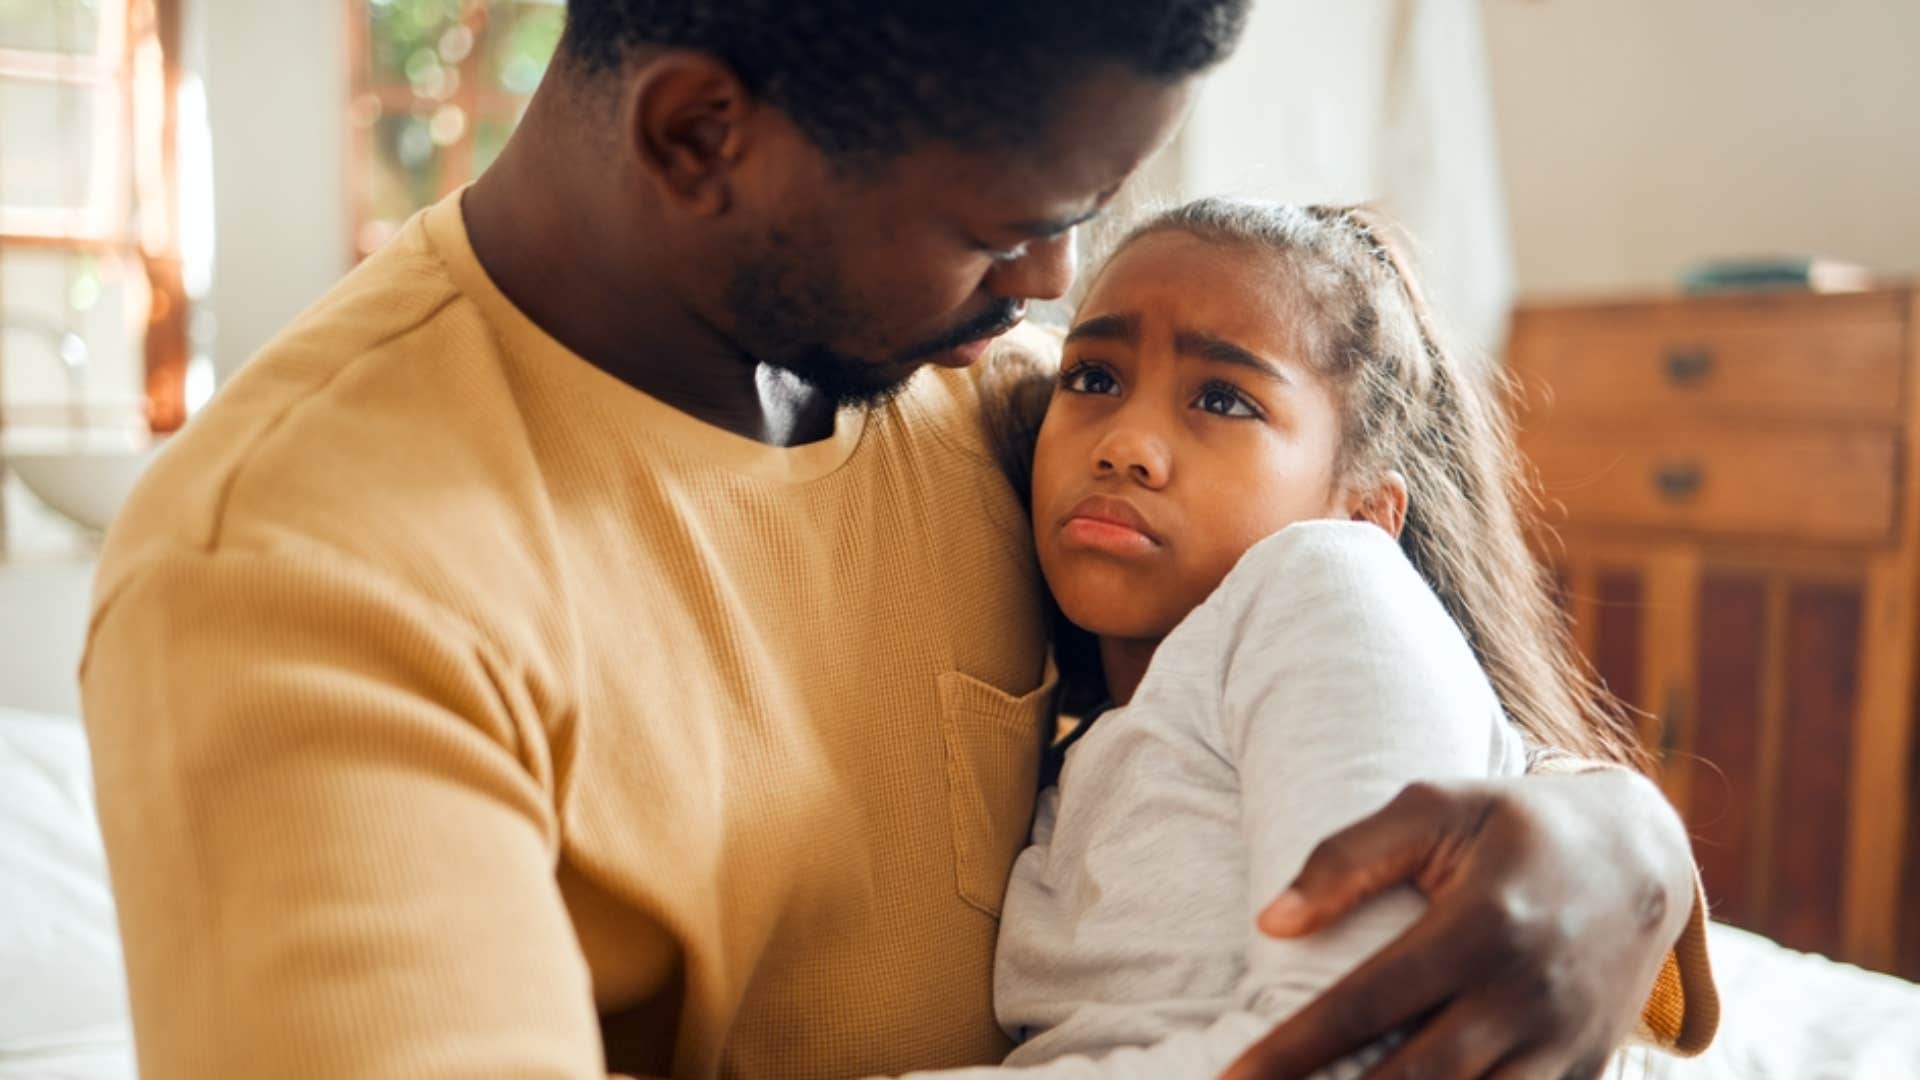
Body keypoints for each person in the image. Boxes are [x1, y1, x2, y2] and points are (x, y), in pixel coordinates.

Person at [80, 3, 1712, 1078]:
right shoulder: (293, 582)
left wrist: (1618, 836)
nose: (1049, 293)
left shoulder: (968, 407)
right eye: (1002, 230)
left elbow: (1322, 644)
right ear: (699, 136)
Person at [899, 199, 1691, 1080]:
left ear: (1364, 511)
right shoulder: (1088, 759)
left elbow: (1348, 1043)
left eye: (1222, 398)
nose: (1126, 446)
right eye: (1091, 379)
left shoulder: (1326, 580)